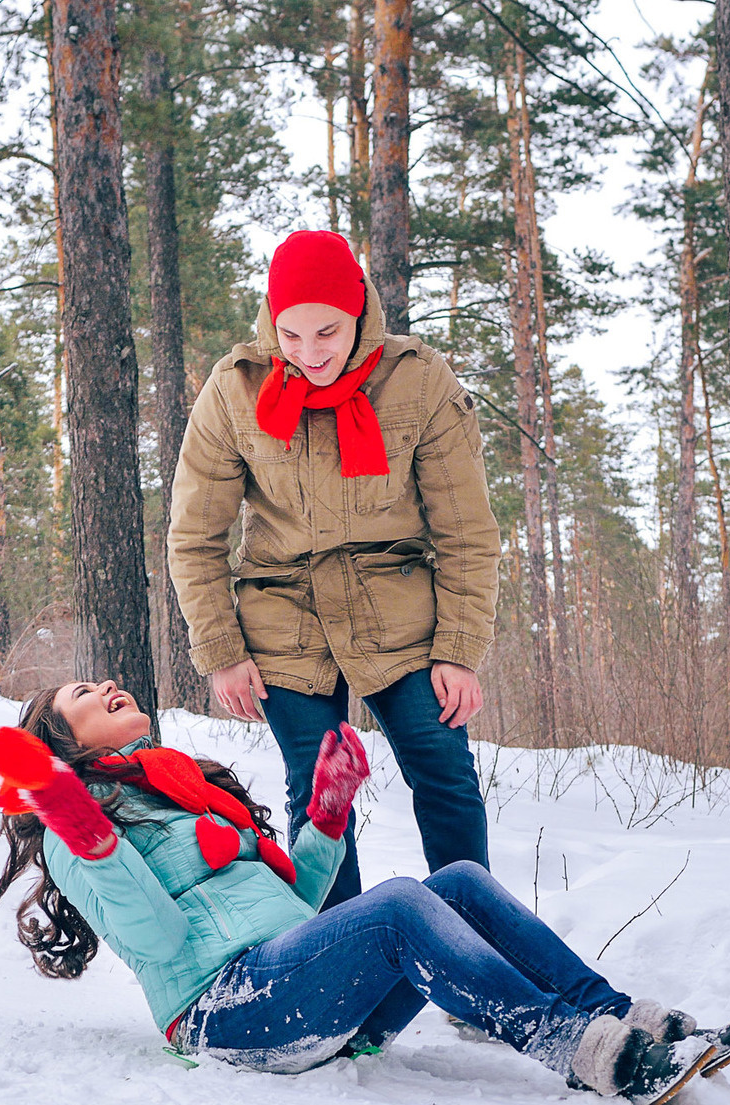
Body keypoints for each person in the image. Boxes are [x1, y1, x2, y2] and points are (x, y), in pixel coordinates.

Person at [0, 681, 730, 1105]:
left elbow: (295, 906)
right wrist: (82, 826)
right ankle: (591, 1053)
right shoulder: (72, 829)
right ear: (61, 746)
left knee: (459, 883)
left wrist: (325, 814)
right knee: (404, 903)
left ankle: (622, 1016)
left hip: (285, 982)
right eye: (83, 696)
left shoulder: (180, 788)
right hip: (223, 1011)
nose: (108, 685)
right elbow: (156, 941)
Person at [167, 230, 499, 908]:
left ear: (359, 312)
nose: (311, 354)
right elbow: (195, 535)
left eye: (327, 332)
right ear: (270, 319)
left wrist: (460, 651)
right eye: (291, 335)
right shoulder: (234, 390)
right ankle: (342, 973)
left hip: (397, 603)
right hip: (282, 607)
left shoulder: (418, 379)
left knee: (444, 772)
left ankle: (479, 950)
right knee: (319, 790)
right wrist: (222, 652)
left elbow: (465, 530)